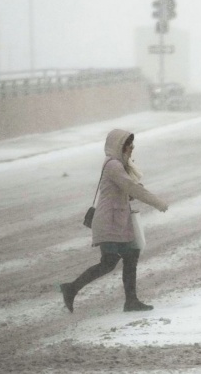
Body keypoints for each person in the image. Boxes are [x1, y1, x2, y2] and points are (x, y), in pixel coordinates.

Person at [61, 129, 169, 312]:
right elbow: (130, 187)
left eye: (132, 144)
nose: (132, 147)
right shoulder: (114, 166)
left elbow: (125, 190)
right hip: (109, 222)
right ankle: (71, 288)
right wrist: (157, 202)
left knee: (130, 255)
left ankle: (131, 301)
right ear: (119, 145)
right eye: (128, 144)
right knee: (109, 262)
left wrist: (130, 194)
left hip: (117, 220)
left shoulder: (119, 165)